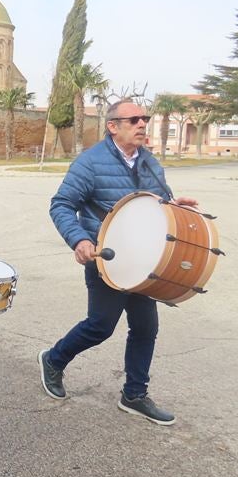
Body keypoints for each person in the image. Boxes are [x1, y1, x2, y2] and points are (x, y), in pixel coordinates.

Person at [38, 100, 199, 426]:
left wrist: (173, 205)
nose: (143, 124)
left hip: (144, 260)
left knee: (146, 327)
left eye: (145, 119)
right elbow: (61, 205)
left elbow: (154, 203)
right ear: (113, 126)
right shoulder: (90, 163)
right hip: (105, 259)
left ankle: (134, 394)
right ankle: (53, 359)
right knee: (100, 325)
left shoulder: (150, 162)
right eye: (134, 119)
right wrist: (80, 240)